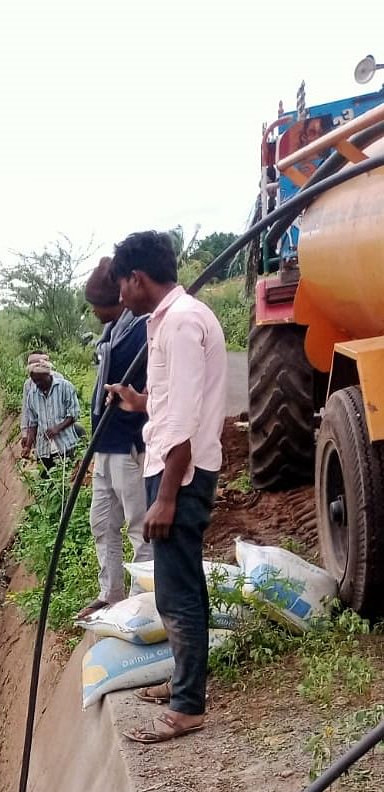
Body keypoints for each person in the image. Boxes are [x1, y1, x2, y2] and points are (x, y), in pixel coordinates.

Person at [108, 230, 226, 743]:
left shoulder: (179, 323)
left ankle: (187, 708)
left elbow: (182, 420)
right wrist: (139, 402)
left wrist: (167, 496)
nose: (119, 298)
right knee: (182, 585)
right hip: (177, 465)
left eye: (122, 286)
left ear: (137, 278)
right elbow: (176, 400)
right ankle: (184, 683)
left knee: (178, 594)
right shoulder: (173, 320)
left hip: (181, 471)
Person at [78, 256, 151, 616]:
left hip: (128, 444)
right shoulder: (112, 332)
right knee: (102, 522)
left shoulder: (142, 328)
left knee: (139, 525)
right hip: (105, 446)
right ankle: (111, 593)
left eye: (97, 306)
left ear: (118, 300)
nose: (94, 312)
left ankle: (142, 599)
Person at [19, 353, 81, 470]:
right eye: (34, 381)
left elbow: (74, 414)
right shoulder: (32, 394)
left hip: (66, 445)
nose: (37, 384)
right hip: (44, 450)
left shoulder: (65, 387)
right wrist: (28, 446)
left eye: (40, 380)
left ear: (48, 375)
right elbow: (33, 423)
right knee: (48, 481)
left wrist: (57, 428)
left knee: (68, 478)